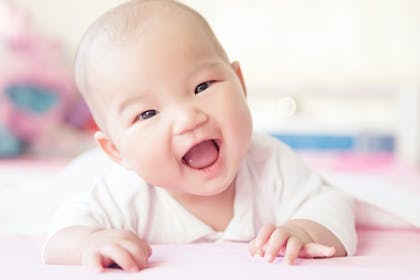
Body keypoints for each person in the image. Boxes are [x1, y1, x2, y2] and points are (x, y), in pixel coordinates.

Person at [43, 0, 357, 272]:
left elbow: (330, 203)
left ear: (239, 83)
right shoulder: (125, 195)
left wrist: (303, 231)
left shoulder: (270, 164)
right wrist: (91, 241)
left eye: (202, 87)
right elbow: (59, 237)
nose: (188, 118)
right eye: (147, 113)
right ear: (116, 151)